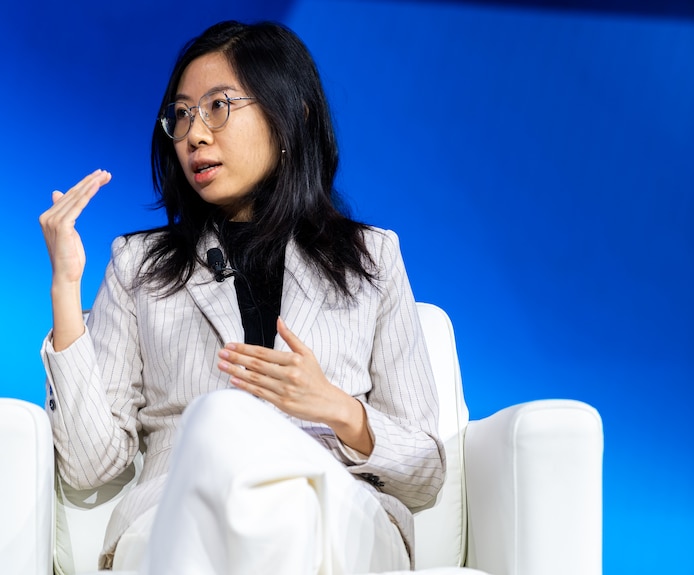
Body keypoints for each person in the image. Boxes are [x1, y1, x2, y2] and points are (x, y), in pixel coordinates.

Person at [39, 20, 445, 574]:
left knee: (250, 450)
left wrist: (340, 409)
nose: (194, 135)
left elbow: (426, 470)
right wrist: (66, 287)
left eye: (217, 106)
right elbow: (89, 466)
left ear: (291, 114)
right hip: (184, 520)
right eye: (181, 115)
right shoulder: (138, 265)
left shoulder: (372, 259)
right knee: (223, 417)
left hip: (336, 516)